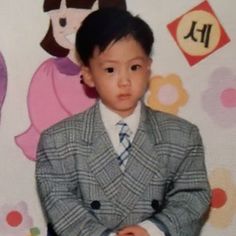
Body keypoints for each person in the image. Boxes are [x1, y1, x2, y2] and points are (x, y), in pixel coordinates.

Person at [36, 8, 211, 236]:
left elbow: (193, 197)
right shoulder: (57, 141)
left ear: (148, 68)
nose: (124, 81)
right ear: (88, 74)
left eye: (135, 67)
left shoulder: (183, 136)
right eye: (110, 69)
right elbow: (60, 206)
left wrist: (151, 230)